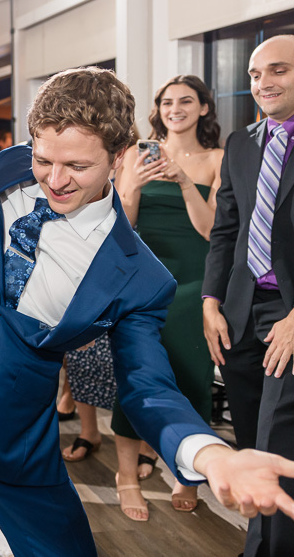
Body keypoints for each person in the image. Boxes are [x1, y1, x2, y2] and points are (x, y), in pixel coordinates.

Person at [0, 65, 294, 556]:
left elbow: (148, 389)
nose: (54, 180)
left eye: (76, 166)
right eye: (43, 159)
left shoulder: (140, 277)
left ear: (120, 157)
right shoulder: (6, 169)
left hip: (18, 445)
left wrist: (212, 456)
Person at [109, 75, 225, 520]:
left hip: (194, 280)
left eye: (186, 101)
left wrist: (181, 181)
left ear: (203, 109)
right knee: (137, 372)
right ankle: (125, 474)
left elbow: (212, 230)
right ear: (159, 109)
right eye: (167, 102)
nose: (175, 108)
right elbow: (124, 224)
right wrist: (133, 184)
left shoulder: (217, 158)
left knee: (191, 373)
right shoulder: (138, 153)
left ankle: (185, 472)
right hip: (144, 276)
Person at [204, 34, 294, 556]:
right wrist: (210, 301)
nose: (263, 83)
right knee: (251, 439)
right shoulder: (243, 142)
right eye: (256, 75)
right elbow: (226, 230)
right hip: (237, 312)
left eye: (277, 71)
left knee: (275, 441)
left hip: (289, 314)